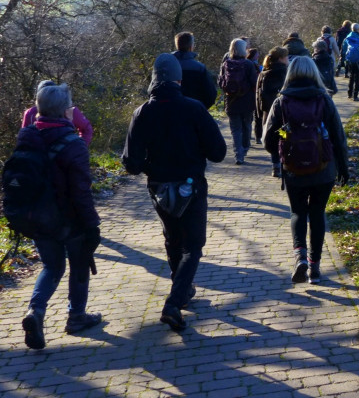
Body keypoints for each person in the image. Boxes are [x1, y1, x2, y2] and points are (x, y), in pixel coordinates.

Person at [122, 53, 226, 332]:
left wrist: (150, 168)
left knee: (172, 238)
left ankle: (182, 289)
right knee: (193, 246)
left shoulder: (142, 112)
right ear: (179, 79)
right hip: (191, 185)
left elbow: (130, 163)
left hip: (159, 188)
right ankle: (174, 301)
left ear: (154, 79)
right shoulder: (194, 109)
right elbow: (218, 152)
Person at [18, 83, 101, 350]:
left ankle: (35, 311)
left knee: (52, 267)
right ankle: (76, 316)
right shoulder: (73, 144)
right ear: (66, 113)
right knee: (79, 265)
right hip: (68, 220)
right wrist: (92, 225)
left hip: (37, 217)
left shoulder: (27, 136)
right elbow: (81, 192)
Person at [265, 56, 349, 284]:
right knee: (317, 213)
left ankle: (300, 256)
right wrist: (343, 167)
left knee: (298, 212)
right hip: (324, 168)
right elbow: (338, 136)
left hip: (293, 169)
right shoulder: (324, 99)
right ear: (314, 72)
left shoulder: (281, 102)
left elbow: (268, 139)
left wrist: (286, 137)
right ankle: (315, 267)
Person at [218, 38, 259, 165]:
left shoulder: (226, 64)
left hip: (231, 101)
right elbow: (255, 82)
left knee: (235, 129)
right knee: (246, 126)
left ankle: (238, 155)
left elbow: (220, 82)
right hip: (247, 100)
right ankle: (245, 148)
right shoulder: (248, 64)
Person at [22, 80, 94, 145]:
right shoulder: (30, 113)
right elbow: (24, 138)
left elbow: (87, 129)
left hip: (65, 154)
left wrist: (79, 146)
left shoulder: (70, 111)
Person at [257, 47, 289, 177]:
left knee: (272, 137)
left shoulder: (264, 72)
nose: (288, 60)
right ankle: (282, 163)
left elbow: (259, 95)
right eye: (286, 57)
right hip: (283, 113)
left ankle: (275, 165)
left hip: (267, 112)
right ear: (281, 58)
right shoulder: (284, 72)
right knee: (283, 137)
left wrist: (259, 112)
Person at [171, 31, 218, 109]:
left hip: (171, 112)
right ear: (191, 46)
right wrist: (201, 109)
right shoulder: (199, 68)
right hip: (194, 111)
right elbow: (210, 94)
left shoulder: (167, 66)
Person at [342, 23, 359, 101]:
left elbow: (343, 49)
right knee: (357, 78)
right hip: (358, 60)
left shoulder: (347, 38)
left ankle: (349, 94)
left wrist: (344, 59)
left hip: (349, 60)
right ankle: (355, 95)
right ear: (358, 29)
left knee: (351, 76)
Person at [247, 48, 263, 144]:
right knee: (257, 116)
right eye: (257, 54)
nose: (258, 56)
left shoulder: (250, 64)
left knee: (252, 117)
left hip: (250, 93)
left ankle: (249, 137)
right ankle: (257, 136)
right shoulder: (253, 65)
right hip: (254, 93)